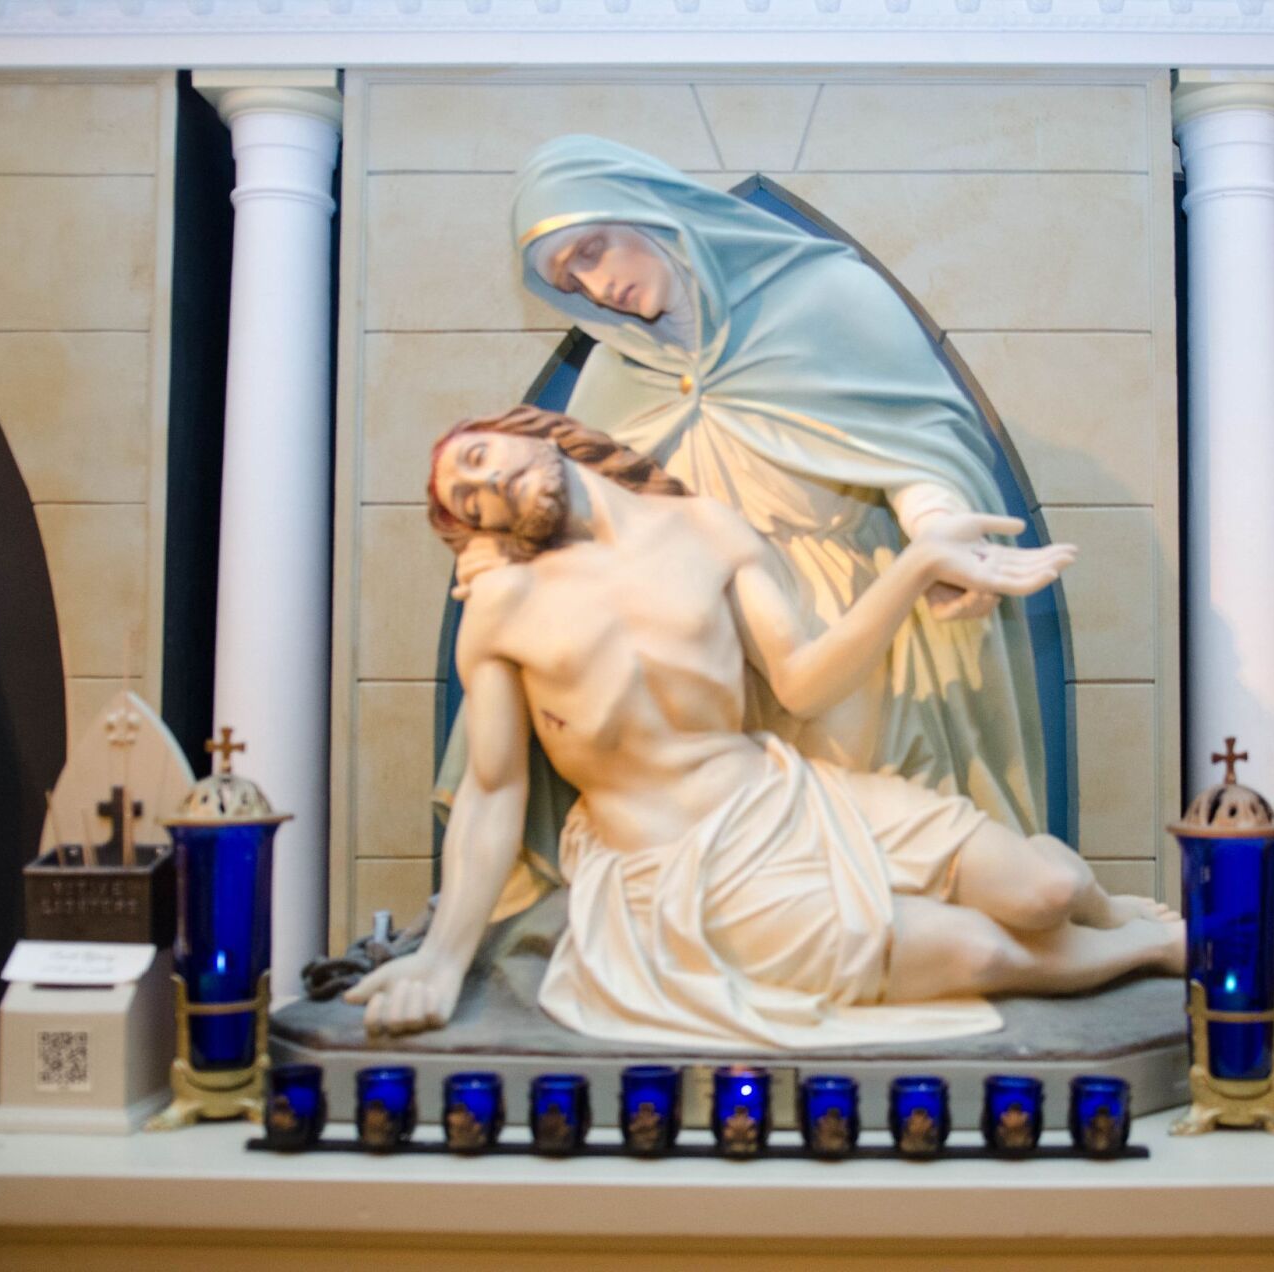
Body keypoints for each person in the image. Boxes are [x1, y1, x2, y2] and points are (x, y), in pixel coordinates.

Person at [348, 408, 1181, 1049]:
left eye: (478, 459)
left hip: (790, 797)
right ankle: (1146, 952)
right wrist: (442, 961)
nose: (486, 489)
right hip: (676, 867)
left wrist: (917, 564)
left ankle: (1110, 912)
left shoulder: (707, 530)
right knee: (980, 954)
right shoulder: (503, 604)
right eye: (468, 502)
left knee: (1049, 890)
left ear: (530, 431)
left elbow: (802, 683)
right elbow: (493, 790)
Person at [434, 136, 1053, 918]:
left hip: (843, 624)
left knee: (858, 871)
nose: (597, 284)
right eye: (571, 279)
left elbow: (914, 438)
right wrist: (500, 562)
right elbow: (575, 524)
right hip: (705, 656)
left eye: (592, 249)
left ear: (646, 208)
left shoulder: (827, 296)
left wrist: (936, 530)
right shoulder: (614, 377)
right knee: (746, 886)